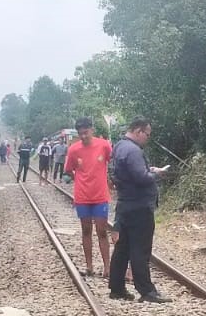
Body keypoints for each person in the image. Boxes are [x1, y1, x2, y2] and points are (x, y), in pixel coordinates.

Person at [108, 116, 171, 303]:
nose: (148, 138)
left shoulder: (119, 146)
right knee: (140, 250)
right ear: (138, 131)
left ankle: (117, 288)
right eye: (147, 134)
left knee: (123, 249)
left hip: (125, 203)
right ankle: (146, 290)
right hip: (139, 206)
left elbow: (125, 172)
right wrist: (156, 173)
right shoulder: (134, 150)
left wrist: (147, 169)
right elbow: (141, 178)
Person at [66, 118, 113, 276]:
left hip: (100, 195)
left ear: (92, 130)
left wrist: (108, 181)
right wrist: (78, 180)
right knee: (86, 230)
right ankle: (89, 266)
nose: (84, 136)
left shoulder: (104, 145)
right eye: (80, 134)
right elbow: (68, 169)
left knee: (102, 231)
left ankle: (107, 267)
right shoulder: (73, 150)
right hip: (82, 197)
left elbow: (111, 162)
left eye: (86, 133)